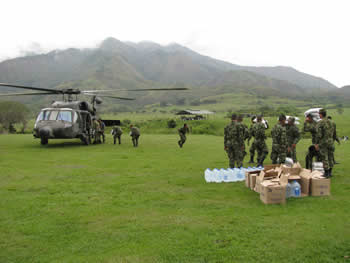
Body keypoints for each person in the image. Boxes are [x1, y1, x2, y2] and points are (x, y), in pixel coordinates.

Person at [315, 109, 334, 178]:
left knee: (324, 157)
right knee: (330, 157)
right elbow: (334, 133)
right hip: (331, 142)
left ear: (320, 114)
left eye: (319, 114)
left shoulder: (320, 123)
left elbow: (318, 135)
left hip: (323, 143)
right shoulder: (332, 122)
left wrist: (317, 143)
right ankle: (330, 172)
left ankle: (326, 173)